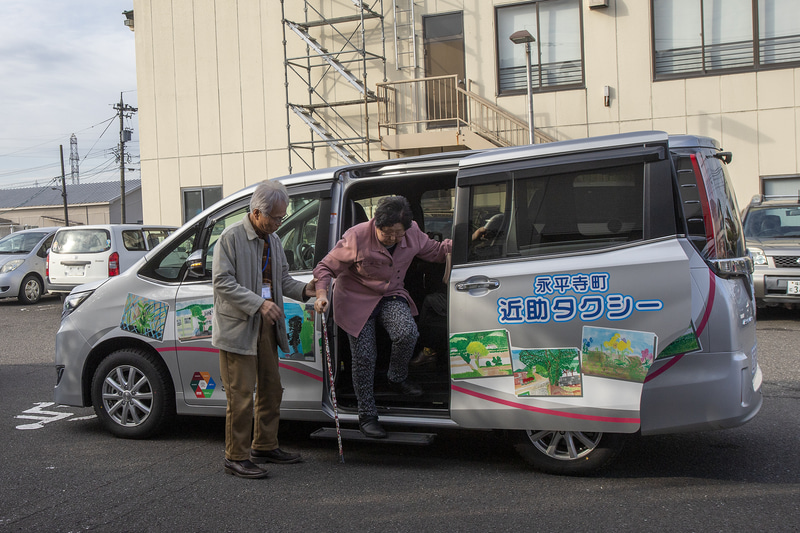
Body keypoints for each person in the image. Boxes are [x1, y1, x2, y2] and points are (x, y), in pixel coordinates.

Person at [313, 196, 452, 439]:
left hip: (390, 293)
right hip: (355, 299)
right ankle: (367, 415)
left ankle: (396, 378)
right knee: (364, 356)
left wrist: (465, 243)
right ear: (376, 223)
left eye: (398, 234)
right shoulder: (356, 237)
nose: (393, 239)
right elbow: (325, 267)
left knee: (407, 333)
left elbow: (435, 251)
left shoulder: (412, 233)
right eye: (387, 233)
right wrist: (322, 294)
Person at [212, 179, 316, 479]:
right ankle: (236, 456)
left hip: (267, 326)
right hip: (239, 328)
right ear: (257, 213)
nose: (279, 223)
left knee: (271, 389)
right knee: (241, 396)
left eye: (282, 217)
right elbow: (222, 282)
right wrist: (259, 303)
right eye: (275, 218)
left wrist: (307, 290)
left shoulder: (274, 240)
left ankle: (265, 445)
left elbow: (283, 281)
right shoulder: (230, 238)